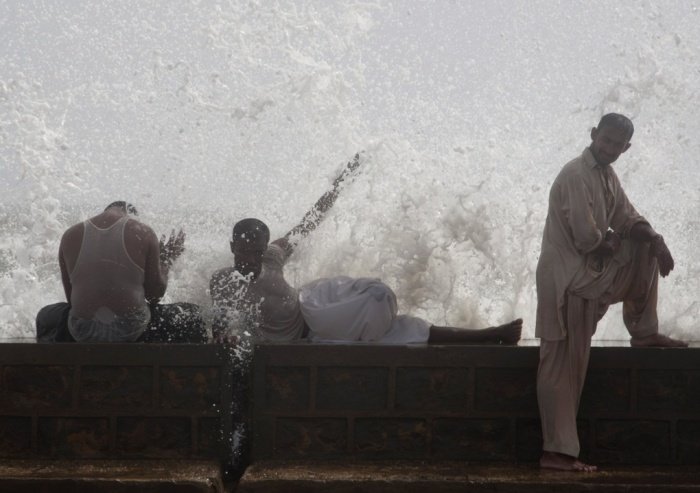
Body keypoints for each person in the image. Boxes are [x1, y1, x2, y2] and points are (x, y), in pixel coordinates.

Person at [210, 155, 522, 345]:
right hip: (311, 334)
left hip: (316, 304)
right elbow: (225, 320)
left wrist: (338, 185)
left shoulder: (273, 257)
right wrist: (227, 336)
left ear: (264, 248)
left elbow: (308, 223)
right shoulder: (223, 281)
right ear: (232, 247)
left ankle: (487, 333)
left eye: (255, 250)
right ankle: (488, 335)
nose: (249, 257)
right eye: (242, 250)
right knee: (405, 330)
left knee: (378, 295)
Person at [535, 113, 687, 472]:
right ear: (593, 135)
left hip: (590, 278)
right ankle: (556, 453)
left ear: (627, 147)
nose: (611, 149)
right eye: (606, 141)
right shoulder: (576, 173)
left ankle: (645, 331)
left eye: (618, 145)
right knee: (563, 364)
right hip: (567, 282)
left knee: (646, 245)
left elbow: (626, 217)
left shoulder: (606, 175)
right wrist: (611, 240)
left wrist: (656, 239)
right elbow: (588, 238)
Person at [36, 201, 206, 343]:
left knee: (45, 314)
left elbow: (71, 301)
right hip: (131, 330)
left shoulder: (70, 235)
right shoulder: (143, 231)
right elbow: (155, 296)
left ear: (106, 211)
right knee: (194, 313)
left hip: (82, 332)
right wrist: (166, 261)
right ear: (131, 216)